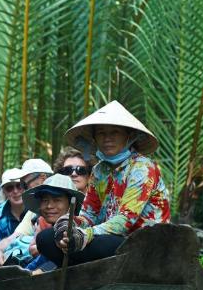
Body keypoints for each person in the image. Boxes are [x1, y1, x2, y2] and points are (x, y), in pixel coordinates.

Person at [37, 100, 171, 267]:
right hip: (106, 238)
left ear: (128, 136)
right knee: (45, 239)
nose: (108, 138)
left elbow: (124, 221)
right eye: (101, 133)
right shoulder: (99, 171)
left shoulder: (142, 168)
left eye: (115, 132)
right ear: (94, 138)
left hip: (142, 245)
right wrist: (68, 225)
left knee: (101, 245)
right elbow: (89, 215)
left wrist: (85, 235)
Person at [0, 158, 53, 266]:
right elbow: (15, 237)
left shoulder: (65, 200)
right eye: (9, 188)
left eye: (24, 186)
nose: (19, 191)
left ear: (43, 178)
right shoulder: (35, 210)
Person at [19, 174, 84, 272]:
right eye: (45, 200)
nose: (49, 206)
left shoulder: (78, 230)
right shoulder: (44, 224)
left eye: (57, 200)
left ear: (72, 205)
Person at [0, 167, 26, 249]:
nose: (15, 191)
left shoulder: (36, 210)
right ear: (4, 192)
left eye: (19, 186)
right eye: (9, 188)